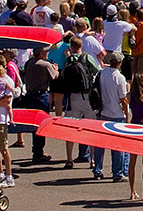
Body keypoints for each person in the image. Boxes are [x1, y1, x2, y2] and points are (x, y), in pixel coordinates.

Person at [62, 36, 101, 169]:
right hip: (87, 96)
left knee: (70, 128)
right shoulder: (86, 58)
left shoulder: (69, 60)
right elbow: (97, 71)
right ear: (81, 46)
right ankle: (93, 160)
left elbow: (63, 76)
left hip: (73, 97)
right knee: (91, 127)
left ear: (71, 47)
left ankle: (69, 158)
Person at [93, 52, 129, 181]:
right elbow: (123, 99)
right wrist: (127, 114)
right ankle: (117, 173)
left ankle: (97, 170)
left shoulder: (102, 73)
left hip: (102, 112)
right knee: (117, 146)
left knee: (99, 144)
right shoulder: (120, 78)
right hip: (116, 114)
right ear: (119, 64)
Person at [23, 44, 58, 163]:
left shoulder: (29, 63)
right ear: (42, 53)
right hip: (41, 95)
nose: (48, 53)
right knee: (42, 125)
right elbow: (54, 77)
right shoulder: (45, 64)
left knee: (34, 125)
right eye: (46, 52)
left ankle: (36, 150)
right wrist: (56, 69)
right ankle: (39, 152)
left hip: (30, 95)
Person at [0, 56, 15, 188]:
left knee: (4, 149)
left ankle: (9, 176)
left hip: (2, 120)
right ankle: (1, 174)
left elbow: (7, 101)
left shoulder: (6, 80)